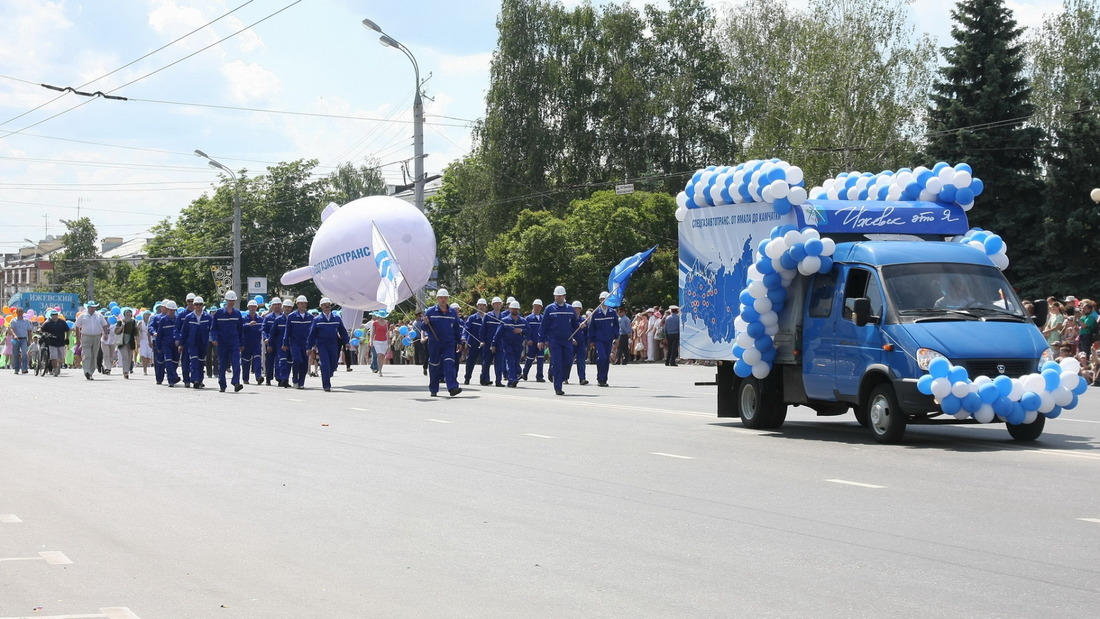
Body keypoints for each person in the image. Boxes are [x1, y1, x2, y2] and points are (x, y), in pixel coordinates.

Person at [539, 285, 579, 396]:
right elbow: (543, 326)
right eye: (556, 296)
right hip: (554, 341)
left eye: (560, 296)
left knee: (568, 361)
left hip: (567, 340)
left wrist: (581, 326)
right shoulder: (549, 309)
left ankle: (558, 376)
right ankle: (558, 387)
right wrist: (541, 340)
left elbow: (575, 325)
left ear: (564, 296)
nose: (558, 298)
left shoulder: (570, 309)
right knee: (557, 363)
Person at [423, 288, 462, 397]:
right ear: (437, 299)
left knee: (449, 363)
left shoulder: (452, 312)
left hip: (449, 343)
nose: (443, 300)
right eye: (441, 298)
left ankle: (452, 387)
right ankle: (434, 388)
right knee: (435, 365)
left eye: (445, 298)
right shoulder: (430, 311)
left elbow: (456, 328)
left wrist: (459, 341)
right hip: (435, 343)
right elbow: (424, 328)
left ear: (448, 298)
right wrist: (425, 323)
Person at [307, 297, 349, 392]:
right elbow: (312, 334)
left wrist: (346, 342)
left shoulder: (337, 318)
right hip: (322, 345)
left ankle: (327, 373)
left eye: (328, 305)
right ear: (321, 306)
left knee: (333, 365)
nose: (327, 306)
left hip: (333, 345)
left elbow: (342, 331)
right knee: (325, 364)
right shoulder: (317, 319)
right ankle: (326, 385)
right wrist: (309, 347)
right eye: (324, 305)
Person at [211, 290, 245, 393]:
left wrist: (241, 343)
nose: (231, 302)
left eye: (233, 300)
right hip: (222, 342)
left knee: (236, 363)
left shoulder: (237, 314)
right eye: (230, 300)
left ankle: (236, 382)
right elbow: (213, 328)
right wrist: (214, 338)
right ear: (226, 300)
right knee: (222, 364)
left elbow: (240, 329)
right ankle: (222, 384)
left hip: (234, 342)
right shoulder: (219, 313)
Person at [179, 296, 213, 389]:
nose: (198, 306)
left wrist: (214, 339)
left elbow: (213, 329)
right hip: (192, 343)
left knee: (201, 361)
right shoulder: (188, 317)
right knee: (194, 360)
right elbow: (184, 331)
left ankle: (200, 380)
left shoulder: (208, 317)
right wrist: (181, 344)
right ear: (194, 305)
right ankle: (195, 379)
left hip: (203, 343)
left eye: (200, 304)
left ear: (203, 305)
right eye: (196, 304)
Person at [492, 300, 527, 387]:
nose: (514, 311)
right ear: (509, 309)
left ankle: (512, 379)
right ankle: (512, 379)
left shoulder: (523, 321)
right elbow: (498, 333)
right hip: (507, 344)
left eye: (516, 309)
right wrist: (493, 344)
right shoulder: (504, 320)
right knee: (510, 361)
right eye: (513, 309)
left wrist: (521, 330)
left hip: (518, 345)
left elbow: (529, 331)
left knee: (516, 362)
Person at [282, 295, 313, 389]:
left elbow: (313, 332)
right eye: (301, 303)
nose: (303, 305)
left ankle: (301, 382)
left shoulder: (310, 317)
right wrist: (285, 343)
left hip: (306, 344)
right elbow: (287, 331)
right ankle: (295, 378)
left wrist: (313, 343)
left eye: (305, 303)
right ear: (298, 304)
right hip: (295, 343)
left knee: (304, 362)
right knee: (297, 360)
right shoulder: (292, 317)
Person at [588, 292, 617, 386]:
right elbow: (591, 327)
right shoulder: (596, 313)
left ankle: (604, 379)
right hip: (598, 339)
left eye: (606, 299)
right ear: (600, 300)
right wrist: (591, 340)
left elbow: (616, 326)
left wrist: (616, 337)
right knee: (602, 357)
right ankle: (600, 377)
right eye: (602, 299)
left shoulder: (612, 313)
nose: (604, 301)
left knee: (606, 359)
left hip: (608, 339)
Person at [75, 301, 108, 380]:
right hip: (86, 336)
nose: (93, 309)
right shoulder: (83, 316)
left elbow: (104, 324)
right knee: (87, 354)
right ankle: (86, 371)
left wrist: (105, 334)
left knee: (94, 355)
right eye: (91, 307)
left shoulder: (99, 315)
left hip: (96, 336)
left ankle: (91, 372)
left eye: (94, 307)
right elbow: (76, 326)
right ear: (88, 307)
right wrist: (78, 339)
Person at [480, 296, 506, 386]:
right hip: (488, 343)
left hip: (500, 343)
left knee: (499, 362)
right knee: (486, 362)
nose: (497, 306)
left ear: (501, 305)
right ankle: (484, 379)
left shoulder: (504, 317)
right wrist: (482, 340)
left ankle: (498, 381)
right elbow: (482, 330)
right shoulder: (488, 316)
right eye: (495, 304)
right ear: (492, 305)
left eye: (499, 304)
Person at [157, 301, 181, 387]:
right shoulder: (163, 320)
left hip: (175, 344)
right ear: (167, 310)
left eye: (174, 310)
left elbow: (180, 331)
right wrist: (158, 346)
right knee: (168, 360)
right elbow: (160, 334)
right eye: (171, 310)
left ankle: (173, 375)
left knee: (175, 361)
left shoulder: (178, 319)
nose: (172, 312)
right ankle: (171, 379)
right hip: (166, 344)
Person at [463, 298, 487, 385]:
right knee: (470, 362)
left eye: (483, 306)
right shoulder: (472, 318)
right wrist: (464, 337)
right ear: (477, 306)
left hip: (484, 344)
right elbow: (466, 329)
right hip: (473, 344)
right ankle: (467, 378)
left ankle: (484, 379)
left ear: (486, 307)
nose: (481, 307)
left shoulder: (487, 318)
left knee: (485, 362)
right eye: (480, 305)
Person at [175, 293, 197, 387]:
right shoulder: (182, 315)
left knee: (197, 361)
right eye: (189, 301)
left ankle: (197, 379)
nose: (191, 303)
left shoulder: (200, 313)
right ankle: (186, 380)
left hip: (197, 341)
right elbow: (177, 329)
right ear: (186, 302)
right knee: (185, 361)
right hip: (185, 341)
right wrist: (178, 340)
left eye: (193, 301)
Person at [39, 309, 70, 377]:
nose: (54, 316)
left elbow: (68, 330)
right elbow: (42, 329)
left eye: (56, 314)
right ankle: (55, 369)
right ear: (51, 315)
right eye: (53, 315)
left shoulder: (62, 322)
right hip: (52, 342)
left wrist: (67, 338)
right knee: (53, 357)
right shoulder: (48, 323)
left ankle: (59, 366)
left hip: (61, 342)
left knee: (61, 357)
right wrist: (39, 331)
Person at [261, 297, 284, 385]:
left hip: (280, 342)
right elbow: (264, 329)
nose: (277, 306)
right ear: (272, 306)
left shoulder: (284, 317)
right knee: (269, 361)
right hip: (270, 342)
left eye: (278, 305)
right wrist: (266, 338)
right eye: (275, 305)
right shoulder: (268, 317)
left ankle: (279, 379)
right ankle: (268, 378)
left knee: (279, 360)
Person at [241, 299, 264, 384]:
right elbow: (240, 328)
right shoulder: (244, 318)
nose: (253, 308)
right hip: (246, 343)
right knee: (246, 361)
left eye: (254, 307)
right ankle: (245, 378)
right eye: (251, 307)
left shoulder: (260, 319)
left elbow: (263, 329)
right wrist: (248, 325)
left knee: (257, 360)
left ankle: (258, 377)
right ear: (248, 307)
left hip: (256, 344)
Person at [522, 299, 545, 382]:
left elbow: (546, 330)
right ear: (533, 307)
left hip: (541, 342)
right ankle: (525, 373)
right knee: (530, 359)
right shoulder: (528, 319)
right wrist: (528, 339)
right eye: (536, 306)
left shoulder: (543, 318)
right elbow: (525, 330)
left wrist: (546, 340)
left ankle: (539, 376)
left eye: (539, 306)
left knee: (540, 359)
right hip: (532, 342)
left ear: (541, 308)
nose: (537, 308)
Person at [113, 307, 139, 379]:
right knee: (125, 357)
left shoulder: (133, 322)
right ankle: (125, 372)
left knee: (129, 357)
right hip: (122, 341)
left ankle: (127, 370)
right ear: (124, 313)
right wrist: (122, 326)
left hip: (130, 341)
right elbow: (116, 332)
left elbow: (136, 333)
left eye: (129, 312)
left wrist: (138, 341)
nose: (128, 314)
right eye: (127, 312)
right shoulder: (120, 321)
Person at [569, 301, 590, 385]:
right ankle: (565, 377)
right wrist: (572, 339)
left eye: (577, 309)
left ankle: (582, 378)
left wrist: (585, 344)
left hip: (581, 344)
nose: (575, 310)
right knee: (568, 361)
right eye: (573, 308)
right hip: (571, 343)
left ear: (580, 309)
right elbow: (567, 331)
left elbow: (586, 333)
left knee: (581, 362)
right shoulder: (569, 319)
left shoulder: (583, 320)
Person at [8, 307, 33, 374]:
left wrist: (29, 340)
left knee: (24, 354)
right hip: (16, 339)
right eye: (19, 311)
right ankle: (16, 369)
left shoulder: (26, 321)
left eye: (22, 311)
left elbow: (29, 331)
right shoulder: (13, 320)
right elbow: (11, 329)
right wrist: (14, 335)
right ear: (16, 312)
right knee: (16, 354)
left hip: (24, 339)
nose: (20, 313)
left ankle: (24, 368)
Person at [138, 310, 154, 376]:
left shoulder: (152, 322)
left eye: (148, 314)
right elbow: (137, 332)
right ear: (144, 315)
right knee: (143, 354)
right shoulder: (140, 322)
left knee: (148, 355)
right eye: (146, 314)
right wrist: (138, 327)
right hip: (142, 340)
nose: (147, 316)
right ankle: (144, 369)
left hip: (150, 340)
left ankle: (146, 365)